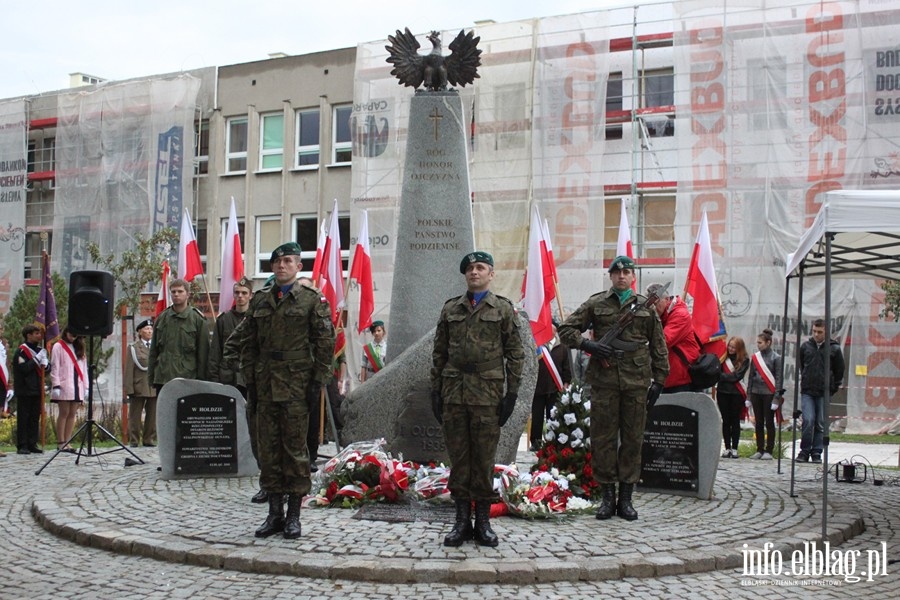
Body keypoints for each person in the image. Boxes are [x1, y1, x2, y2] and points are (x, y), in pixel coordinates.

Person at [558, 256, 668, 521]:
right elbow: (565, 329)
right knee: (603, 440)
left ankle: (626, 499)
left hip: (636, 382)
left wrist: (660, 380)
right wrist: (588, 346)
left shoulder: (646, 307)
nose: (621, 276)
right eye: (616, 272)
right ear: (610, 276)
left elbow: (658, 345)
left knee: (632, 439)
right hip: (605, 382)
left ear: (633, 277)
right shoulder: (596, 304)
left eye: (626, 272)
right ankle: (607, 497)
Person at [236, 242, 334, 540]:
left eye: (288, 261)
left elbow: (325, 344)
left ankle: (293, 516)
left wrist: (317, 381)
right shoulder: (261, 300)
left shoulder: (312, 300)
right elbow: (249, 342)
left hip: (296, 386)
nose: (281, 265)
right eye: (277, 261)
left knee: (294, 451)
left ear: (298, 266)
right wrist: (249, 377)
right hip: (265, 385)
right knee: (269, 450)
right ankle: (274, 514)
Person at [431, 251, 525, 547]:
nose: (474, 272)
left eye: (480, 267)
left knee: (484, 458)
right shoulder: (450, 309)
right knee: (459, 458)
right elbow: (439, 353)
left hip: (488, 393)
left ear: (491, 274)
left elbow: (516, 353)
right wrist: (435, 390)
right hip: (455, 391)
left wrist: (512, 393)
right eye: (470, 268)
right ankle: (461, 522)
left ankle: (482, 522)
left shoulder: (503, 309)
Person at [209, 277, 263, 497]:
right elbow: (216, 351)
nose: (240, 296)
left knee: (254, 419)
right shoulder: (224, 320)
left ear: (250, 295)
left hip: (252, 378)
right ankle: (230, 455)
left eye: (244, 293)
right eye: (237, 293)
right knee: (230, 419)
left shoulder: (258, 318)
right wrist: (214, 378)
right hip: (230, 377)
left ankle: (252, 456)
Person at [797, 319, 845, 464]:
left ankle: (817, 452)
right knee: (808, 420)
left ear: (826, 332)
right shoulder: (805, 346)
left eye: (820, 332)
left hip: (824, 391)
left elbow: (839, 370)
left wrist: (833, 387)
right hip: (808, 390)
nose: (816, 334)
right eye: (814, 331)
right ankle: (804, 451)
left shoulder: (834, 348)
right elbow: (801, 366)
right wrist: (805, 380)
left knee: (820, 422)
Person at [148, 278, 209, 391]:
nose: (176, 294)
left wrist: (202, 381)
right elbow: (154, 351)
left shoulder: (197, 319)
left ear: (188, 294)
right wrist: (151, 377)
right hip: (163, 378)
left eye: (180, 291)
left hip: (188, 378)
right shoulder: (162, 318)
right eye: (173, 291)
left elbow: (203, 353)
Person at [646, 283, 700, 393]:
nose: (653, 309)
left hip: (681, 379)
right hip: (668, 377)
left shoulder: (680, 315)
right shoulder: (663, 315)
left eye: (655, 304)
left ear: (666, 299)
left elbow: (663, 341)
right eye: (650, 305)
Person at [529, 322, 572, 451]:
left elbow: (566, 367)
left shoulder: (562, 347)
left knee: (552, 417)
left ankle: (552, 441)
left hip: (554, 389)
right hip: (538, 388)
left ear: (555, 331)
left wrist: (566, 382)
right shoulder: (538, 346)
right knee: (537, 418)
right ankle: (535, 442)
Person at [746, 328, 783, 460]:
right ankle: (759, 449)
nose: (758, 345)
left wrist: (776, 398)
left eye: (760, 342)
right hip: (756, 393)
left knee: (769, 422)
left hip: (769, 394)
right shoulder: (755, 358)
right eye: (757, 343)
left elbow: (779, 379)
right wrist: (749, 396)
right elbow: (751, 377)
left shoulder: (776, 358)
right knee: (759, 422)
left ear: (768, 343)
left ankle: (769, 450)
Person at [49, 326, 87, 452]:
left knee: (72, 414)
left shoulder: (79, 348)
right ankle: (61, 442)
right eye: (71, 334)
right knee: (64, 413)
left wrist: (86, 387)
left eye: (75, 335)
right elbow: (55, 366)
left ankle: (68, 441)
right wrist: (56, 384)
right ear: (65, 332)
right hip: (64, 384)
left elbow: (84, 370)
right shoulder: (58, 346)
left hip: (78, 384)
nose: (72, 337)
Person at [13, 325, 48, 454]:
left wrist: (46, 364)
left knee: (34, 417)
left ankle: (32, 443)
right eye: (36, 333)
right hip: (25, 389)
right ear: (28, 335)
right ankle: (22, 445)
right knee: (24, 418)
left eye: (40, 333)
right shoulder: (21, 352)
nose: (40, 336)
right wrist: (37, 359)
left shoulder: (40, 350)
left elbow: (45, 370)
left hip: (37, 389)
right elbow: (24, 369)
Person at [124, 318, 157, 448]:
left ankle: (149, 439)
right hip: (138, 386)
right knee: (135, 416)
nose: (149, 331)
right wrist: (129, 389)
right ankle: (134, 440)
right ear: (140, 332)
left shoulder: (156, 347)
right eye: (146, 329)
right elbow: (129, 369)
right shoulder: (133, 348)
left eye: (150, 329)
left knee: (152, 415)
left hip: (153, 386)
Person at [716, 336, 749, 459]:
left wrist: (722, 377)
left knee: (735, 420)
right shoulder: (723, 357)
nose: (730, 349)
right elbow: (716, 372)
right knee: (725, 420)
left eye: (733, 347)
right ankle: (727, 448)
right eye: (729, 346)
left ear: (739, 348)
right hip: (723, 392)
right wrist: (721, 376)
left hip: (736, 394)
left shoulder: (745, 360)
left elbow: (736, 377)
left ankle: (735, 448)